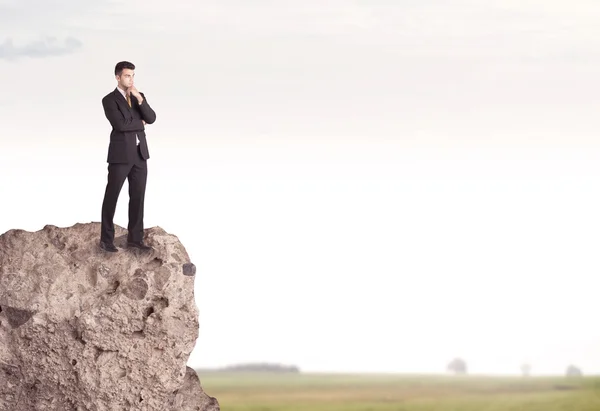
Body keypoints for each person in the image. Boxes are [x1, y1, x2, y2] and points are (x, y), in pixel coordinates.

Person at [99, 61, 157, 252]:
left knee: (138, 197)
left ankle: (135, 239)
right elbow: (120, 125)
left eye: (132, 75)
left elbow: (151, 118)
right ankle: (106, 240)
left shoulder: (139, 97)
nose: (130, 79)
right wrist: (139, 123)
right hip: (120, 156)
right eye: (126, 76)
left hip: (140, 155)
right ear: (118, 77)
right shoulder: (109, 100)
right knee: (112, 196)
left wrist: (140, 99)